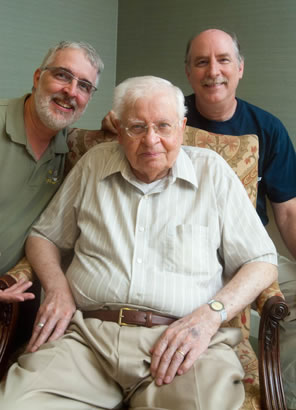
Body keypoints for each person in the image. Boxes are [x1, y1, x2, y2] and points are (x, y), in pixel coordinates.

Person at [0, 76, 277, 410]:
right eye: (136, 127)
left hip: (183, 346)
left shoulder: (212, 173)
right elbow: (44, 236)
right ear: (118, 129)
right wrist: (58, 288)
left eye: (163, 126)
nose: (151, 140)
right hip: (88, 341)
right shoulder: (94, 164)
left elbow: (261, 260)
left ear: (182, 127)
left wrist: (210, 316)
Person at [183, 29, 296, 409]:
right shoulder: (168, 121)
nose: (213, 71)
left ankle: (281, 389)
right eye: (202, 61)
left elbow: (289, 212)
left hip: (251, 257)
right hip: (190, 255)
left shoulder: (268, 129)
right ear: (188, 72)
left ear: (240, 69)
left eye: (223, 60)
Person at [0, 40, 104, 306]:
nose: (71, 91)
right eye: (62, 75)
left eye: (84, 86)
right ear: (37, 77)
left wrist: (117, 124)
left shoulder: (69, 148)